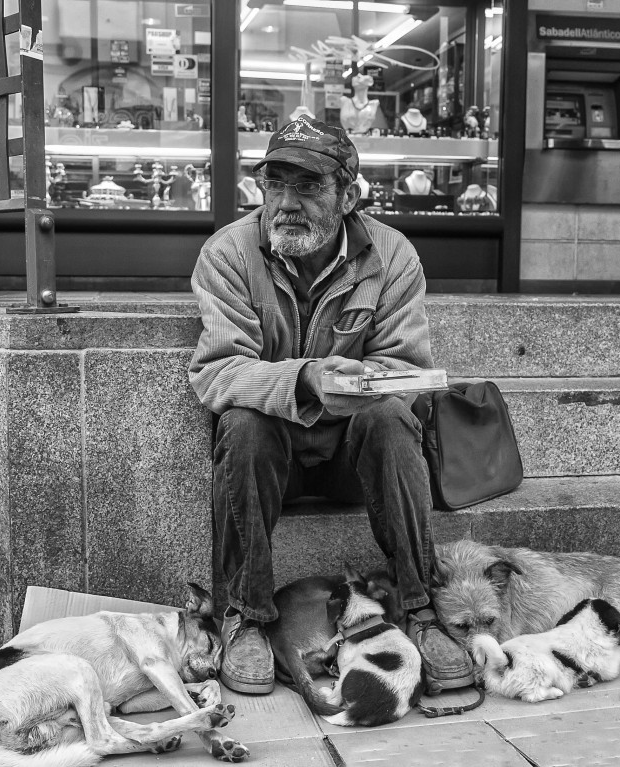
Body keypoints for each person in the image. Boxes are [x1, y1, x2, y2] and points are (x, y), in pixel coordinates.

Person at [188, 117, 466, 695]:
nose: (286, 203)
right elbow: (216, 373)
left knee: (393, 418)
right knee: (242, 423)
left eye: (308, 187)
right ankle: (245, 616)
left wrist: (366, 382)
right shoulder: (229, 254)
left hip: (349, 459)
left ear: (347, 195)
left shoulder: (390, 255)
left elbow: (407, 372)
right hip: (271, 460)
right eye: (275, 184)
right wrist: (307, 379)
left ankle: (417, 608)